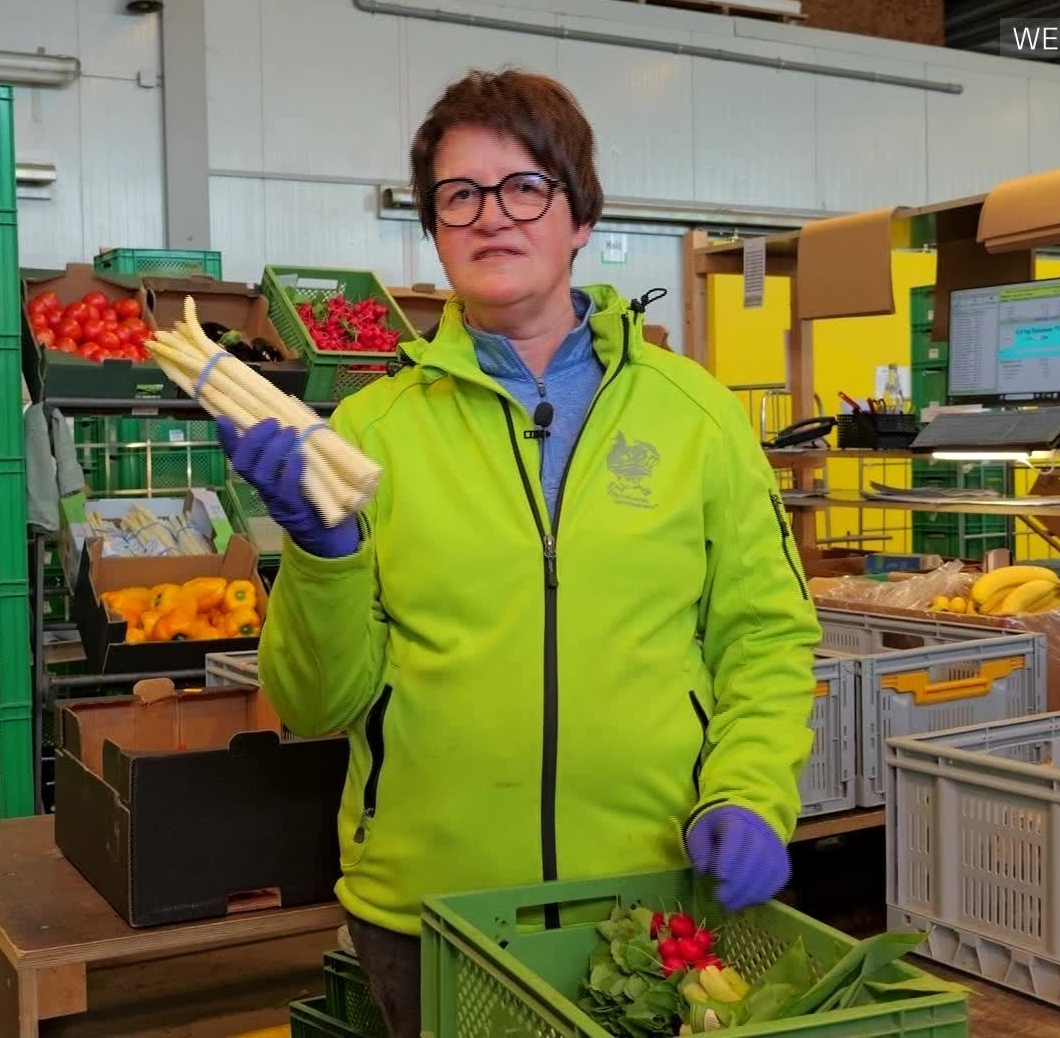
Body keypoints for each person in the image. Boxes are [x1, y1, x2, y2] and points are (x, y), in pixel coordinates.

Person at [220, 70, 820, 1037]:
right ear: (434, 229)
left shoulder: (695, 415)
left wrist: (751, 793)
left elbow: (764, 638)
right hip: (430, 917)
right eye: (459, 195)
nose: (491, 217)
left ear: (579, 215)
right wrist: (321, 556)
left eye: (524, 187)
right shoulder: (369, 433)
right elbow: (316, 703)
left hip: (648, 904)